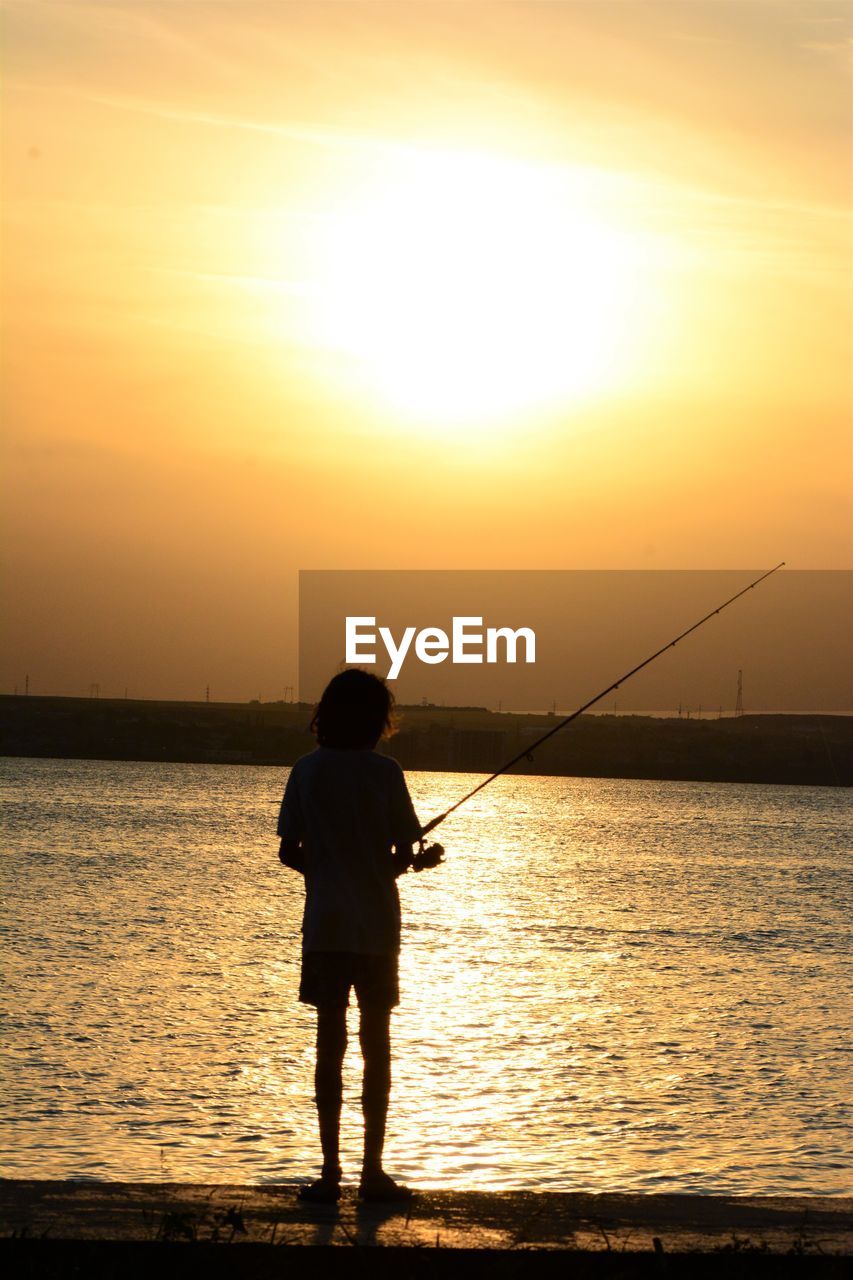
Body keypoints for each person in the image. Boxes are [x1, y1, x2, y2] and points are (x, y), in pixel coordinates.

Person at [277, 668, 442, 1203]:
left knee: (329, 1046)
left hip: (324, 928)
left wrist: (326, 872)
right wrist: (418, 863)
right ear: (377, 719)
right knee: (377, 1047)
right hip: (376, 931)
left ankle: (329, 1175)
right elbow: (402, 853)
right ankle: (373, 1174)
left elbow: (288, 851)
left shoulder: (306, 770)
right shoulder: (386, 773)